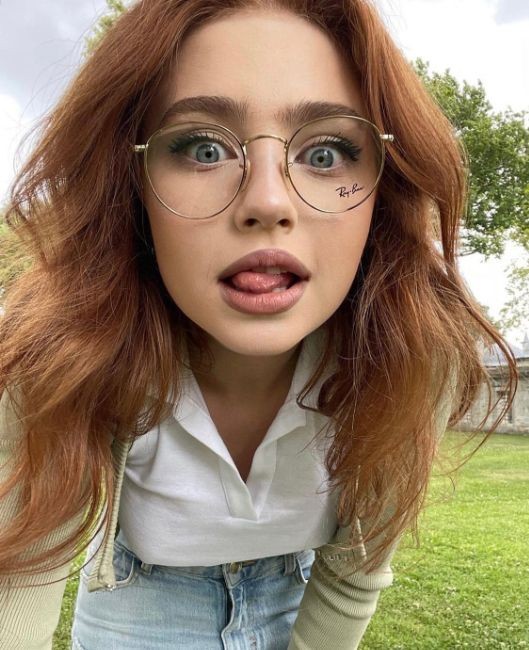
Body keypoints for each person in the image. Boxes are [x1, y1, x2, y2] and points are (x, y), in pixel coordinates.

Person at [0, 0, 517, 648]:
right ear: (130, 183)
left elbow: (353, 576)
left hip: (300, 598)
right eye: (203, 147)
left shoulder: (416, 356)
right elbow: (21, 574)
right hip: (137, 602)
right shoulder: (60, 353)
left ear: (384, 190)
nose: (268, 203)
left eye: (325, 152)